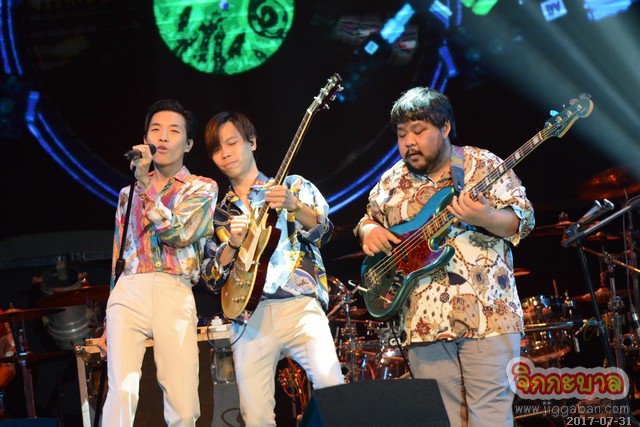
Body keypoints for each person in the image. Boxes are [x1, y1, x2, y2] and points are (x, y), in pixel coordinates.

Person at [355, 87, 535, 427]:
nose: (409, 142)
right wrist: (368, 231)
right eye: (402, 134)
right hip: (423, 325)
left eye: (418, 131)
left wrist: (486, 217)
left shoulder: (483, 164)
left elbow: (522, 220)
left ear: (445, 127)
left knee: (491, 418)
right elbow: (367, 219)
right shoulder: (391, 182)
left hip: (488, 316)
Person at [200, 111, 344, 427]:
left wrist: (295, 206)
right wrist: (232, 246)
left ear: (252, 142)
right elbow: (210, 277)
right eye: (217, 149)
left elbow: (324, 233)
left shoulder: (292, 185)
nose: (225, 153)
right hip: (248, 317)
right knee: (255, 416)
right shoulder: (218, 214)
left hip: (299, 305)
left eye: (232, 143)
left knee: (332, 385)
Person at [97, 99, 218, 427]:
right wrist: (107, 321)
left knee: (182, 401)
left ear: (188, 144)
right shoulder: (127, 194)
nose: (163, 137)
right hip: (129, 290)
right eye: (156, 129)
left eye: (174, 131)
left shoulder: (202, 188)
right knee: (120, 394)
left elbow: (178, 234)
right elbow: (119, 255)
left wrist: (146, 186)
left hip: (172, 287)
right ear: (145, 139)